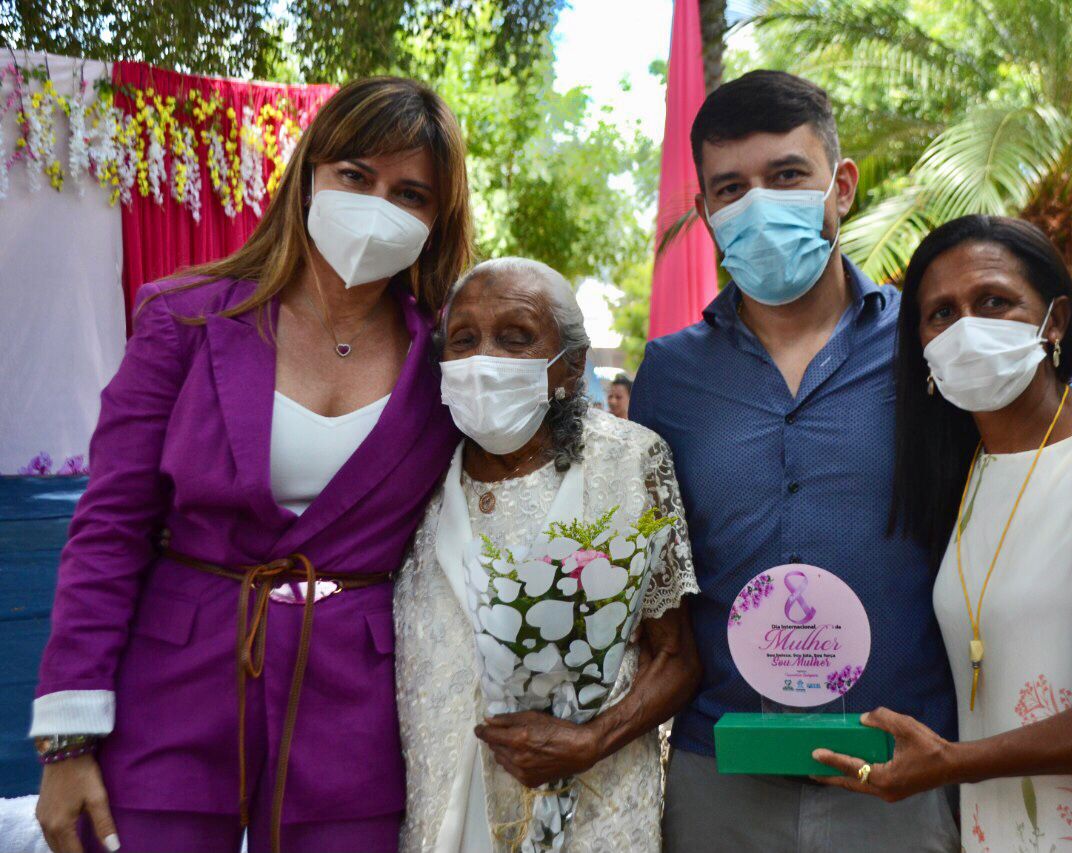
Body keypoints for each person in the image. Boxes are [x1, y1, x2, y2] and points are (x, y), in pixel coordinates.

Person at [629, 70, 1072, 852]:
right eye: (731, 188)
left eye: (787, 175)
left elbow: (1064, 449)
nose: (759, 203)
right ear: (705, 211)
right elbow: (649, 552)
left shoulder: (935, 342)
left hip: (907, 768)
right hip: (721, 771)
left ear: (841, 186)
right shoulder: (669, 375)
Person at [30, 77, 472, 853]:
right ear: (309, 175)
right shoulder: (185, 317)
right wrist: (67, 739)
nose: (378, 206)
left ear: (438, 220)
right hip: (172, 692)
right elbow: (110, 527)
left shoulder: (448, 360)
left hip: (354, 712)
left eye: (411, 194)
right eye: (356, 176)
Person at [810, 214, 1072, 851]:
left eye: (994, 301)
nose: (966, 328)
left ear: (1055, 321)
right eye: (940, 313)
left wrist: (954, 763)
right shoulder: (966, 472)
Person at [395, 258, 701, 852]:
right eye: (464, 340)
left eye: (516, 338)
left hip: (596, 804)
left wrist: (592, 740)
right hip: (442, 801)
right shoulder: (416, 470)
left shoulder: (628, 462)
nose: (485, 359)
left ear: (572, 364)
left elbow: (677, 656)